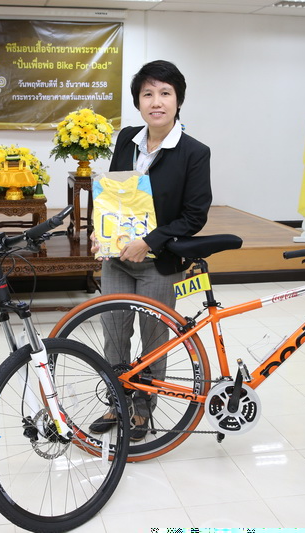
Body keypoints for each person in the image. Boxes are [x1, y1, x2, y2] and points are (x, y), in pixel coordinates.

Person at [89, 60, 212, 440]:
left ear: (178, 101)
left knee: (154, 339)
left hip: (159, 263)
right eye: (147, 94)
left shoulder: (194, 152)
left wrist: (149, 242)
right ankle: (118, 402)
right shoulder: (127, 139)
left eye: (164, 93)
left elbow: (194, 216)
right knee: (114, 334)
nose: (156, 102)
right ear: (138, 101)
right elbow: (113, 194)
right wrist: (100, 231)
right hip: (117, 259)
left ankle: (143, 409)